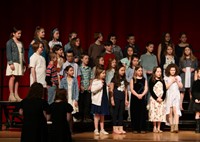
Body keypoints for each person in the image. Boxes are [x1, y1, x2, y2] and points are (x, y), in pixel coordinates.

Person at [6, 27, 26, 102]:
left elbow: (22, 53)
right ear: (14, 33)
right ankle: (11, 94)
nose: (20, 35)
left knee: (18, 78)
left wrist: (24, 64)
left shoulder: (21, 43)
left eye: (20, 33)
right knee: (13, 77)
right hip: (13, 62)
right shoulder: (9, 42)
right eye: (18, 33)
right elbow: (8, 53)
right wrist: (10, 63)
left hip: (19, 62)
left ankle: (16, 94)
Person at [110, 63, 129, 134]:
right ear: (118, 71)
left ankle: (120, 127)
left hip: (122, 98)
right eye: (121, 70)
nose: (123, 72)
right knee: (116, 113)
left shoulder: (124, 79)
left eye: (124, 70)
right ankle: (115, 128)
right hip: (116, 98)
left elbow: (126, 89)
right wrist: (112, 99)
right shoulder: (114, 79)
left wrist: (126, 99)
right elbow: (111, 90)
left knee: (121, 113)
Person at [164, 64, 183, 133]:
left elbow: (181, 86)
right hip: (169, 95)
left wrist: (177, 81)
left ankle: (176, 126)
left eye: (174, 70)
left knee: (176, 110)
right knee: (170, 111)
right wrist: (171, 81)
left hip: (176, 95)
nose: (173, 71)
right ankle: (171, 126)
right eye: (171, 70)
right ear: (169, 70)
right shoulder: (166, 78)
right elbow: (166, 87)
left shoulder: (178, 77)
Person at [60, 65, 79, 132]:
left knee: (71, 115)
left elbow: (76, 89)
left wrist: (76, 99)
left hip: (72, 98)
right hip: (66, 99)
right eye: (71, 70)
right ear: (67, 72)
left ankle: (71, 130)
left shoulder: (75, 79)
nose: (72, 72)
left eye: (73, 70)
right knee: (66, 115)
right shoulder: (63, 80)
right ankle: (65, 130)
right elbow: (61, 90)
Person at [91, 67, 109, 135]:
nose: (104, 74)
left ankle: (102, 129)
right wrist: (100, 85)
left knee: (102, 114)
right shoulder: (96, 81)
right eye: (103, 73)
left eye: (105, 73)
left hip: (103, 99)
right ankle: (96, 129)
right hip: (97, 100)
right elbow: (93, 90)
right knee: (96, 115)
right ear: (98, 74)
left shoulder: (104, 81)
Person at [130, 65, 148, 133]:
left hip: (142, 98)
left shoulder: (144, 79)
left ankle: (142, 128)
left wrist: (142, 95)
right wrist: (137, 95)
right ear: (136, 71)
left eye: (141, 71)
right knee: (135, 113)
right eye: (139, 70)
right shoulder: (133, 79)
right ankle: (135, 128)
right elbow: (132, 89)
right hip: (135, 98)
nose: (140, 72)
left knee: (142, 113)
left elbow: (146, 88)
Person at [179, 46, 198, 110]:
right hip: (184, 76)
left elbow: (197, 67)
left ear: (190, 51)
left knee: (191, 91)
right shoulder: (181, 59)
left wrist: (193, 69)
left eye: (188, 50)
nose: (187, 51)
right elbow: (179, 68)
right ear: (184, 51)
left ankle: (192, 106)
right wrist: (182, 69)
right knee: (182, 91)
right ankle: (180, 106)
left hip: (191, 76)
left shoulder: (194, 59)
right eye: (185, 50)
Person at [148, 66, 166, 133]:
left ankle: (159, 127)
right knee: (154, 113)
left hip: (161, 100)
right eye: (157, 72)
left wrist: (162, 98)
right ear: (154, 72)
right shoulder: (152, 80)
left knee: (160, 113)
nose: (159, 73)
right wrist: (156, 98)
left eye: (160, 72)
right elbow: (151, 91)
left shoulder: (162, 80)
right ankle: (154, 127)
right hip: (154, 100)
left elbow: (164, 90)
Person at [79, 54, 93, 122]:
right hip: (81, 88)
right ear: (82, 59)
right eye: (85, 58)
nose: (87, 60)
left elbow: (91, 78)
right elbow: (79, 78)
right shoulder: (79, 68)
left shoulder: (89, 68)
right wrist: (80, 86)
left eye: (88, 58)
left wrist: (90, 85)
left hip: (88, 88)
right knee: (81, 102)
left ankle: (86, 117)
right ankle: (80, 117)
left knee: (87, 103)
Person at [192, 68, 200, 133]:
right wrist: (195, 99)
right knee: (197, 113)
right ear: (197, 74)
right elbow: (193, 92)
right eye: (199, 72)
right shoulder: (195, 82)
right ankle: (197, 127)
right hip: (197, 99)